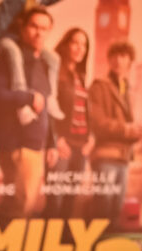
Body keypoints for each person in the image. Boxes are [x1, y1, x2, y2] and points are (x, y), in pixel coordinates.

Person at [0, 6, 58, 215]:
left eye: (44, 28)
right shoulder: (5, 61)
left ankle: (3, 246)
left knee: (18, 206)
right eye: (34, 26)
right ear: (22, 28)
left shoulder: (44, 65)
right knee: (20, 207)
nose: (39, 32)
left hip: (35, 146)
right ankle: (8, 246)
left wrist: (52, 143)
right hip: (16, 145)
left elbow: (47, 108)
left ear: (50, 31)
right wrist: (28, 97)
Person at [88, 41, 142, 229]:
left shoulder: (126, 88)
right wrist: (128, 129)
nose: (119, 61)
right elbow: (98, 123)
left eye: (123, 56)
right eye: (115, 56)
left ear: (130, 61)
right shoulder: (99, 86)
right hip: (105, 156)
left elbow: (126, 123)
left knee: (116, 209)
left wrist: (137, 132)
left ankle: (108, 249)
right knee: (103, 206)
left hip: (123, 157)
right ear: (109, 60)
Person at [46, 27, 92, 218]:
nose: (80, 48)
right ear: (65, 45)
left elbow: (84, 111)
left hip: (81, 145)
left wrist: (91, 138)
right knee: (55, 199)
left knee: (71, 197)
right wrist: (56, 140)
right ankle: (49, 242)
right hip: (62, 143)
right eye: (75, 43)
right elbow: (48, 110)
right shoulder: (54, 73)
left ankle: (64, 240)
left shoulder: (80, 76)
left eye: (84, 44)